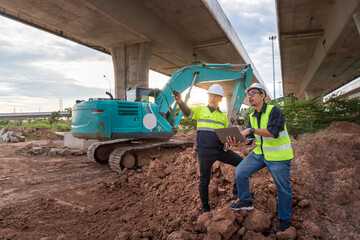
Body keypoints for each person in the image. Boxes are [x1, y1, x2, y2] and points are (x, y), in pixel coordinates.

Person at [227, 83, 294, 233]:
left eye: (253, 93)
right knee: (241, 171)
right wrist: (236, 142)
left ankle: (285, 221)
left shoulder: (274, 110)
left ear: (262, 95)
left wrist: (251, 129)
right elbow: (249, 139)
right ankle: (245, 200)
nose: (250, 96)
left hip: (279, 156)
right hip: (260, 153)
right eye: (248, 94)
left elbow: (273, 132)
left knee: (283, 189)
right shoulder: (252, 116)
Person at [173, 84, 243, 213]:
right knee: (204, 181)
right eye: (210, 95)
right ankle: (206, 209)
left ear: (220, 99)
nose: (212, 97)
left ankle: (236, 191)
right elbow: (188, 112)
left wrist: (227, 144)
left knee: (242, 163)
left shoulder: (223, 116)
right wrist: (180, 102)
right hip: (204, 152)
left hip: (220, 151)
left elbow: (224, 136)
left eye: (216, 96)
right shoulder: (200, 110)